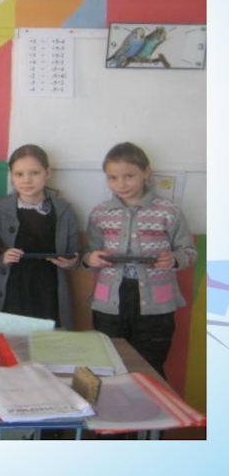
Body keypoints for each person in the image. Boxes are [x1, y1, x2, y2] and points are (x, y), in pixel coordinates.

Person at [83, 142, 197, 379]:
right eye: (113, 178)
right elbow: (89, 253)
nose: (121, 184)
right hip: (110, 303)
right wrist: (91, 259)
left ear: (146, 172)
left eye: (129, 176)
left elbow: (189, 251)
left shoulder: (168, 211)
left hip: (155, 305)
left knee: (150, 366)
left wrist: (174, 259)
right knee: (110, 364)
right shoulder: (100, 213)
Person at [0, 144, 81, 329]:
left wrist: (71, 262)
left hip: (49, 289)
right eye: (19, 174)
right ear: (11, 176)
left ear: (48, 173)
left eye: (34, 173)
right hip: (12, 288)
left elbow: (76, 253)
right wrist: (2, 259)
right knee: (12, 340)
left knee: (47, 341)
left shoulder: (64, 210)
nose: (27, 180)